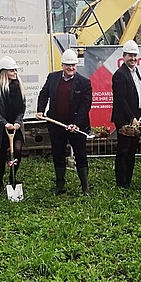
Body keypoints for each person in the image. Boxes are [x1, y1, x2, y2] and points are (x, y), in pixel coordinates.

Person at [37, 49, 92, 195]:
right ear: (62, 65)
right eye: (68, 65)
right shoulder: (53, 78)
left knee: (80, 154)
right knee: (58, 153)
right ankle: (60, 185)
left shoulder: (84, 83)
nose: (71, 68)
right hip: (56, 124)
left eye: (73, 65)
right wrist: (40, 110)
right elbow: (44, 94)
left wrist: (77, 124)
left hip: (77, 126)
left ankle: (85, 187)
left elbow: (86, 105)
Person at [111, 40, 141, 188]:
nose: (133, 58)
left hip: (137, 117)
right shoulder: (120, 75)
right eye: (130, 55)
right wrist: (132, 117)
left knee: (132, 150)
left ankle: (128, 180)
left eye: (135, 55)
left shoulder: (135, 71)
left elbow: (137, 93)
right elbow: (120, 99)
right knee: (124, 151)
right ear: (124, 56)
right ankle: (122, 183)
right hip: (125, 120)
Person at [0, 56, 26, 194]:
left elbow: (22, 107)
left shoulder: (19, 86)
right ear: (4, 72)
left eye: (15, 70)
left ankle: (13, 177)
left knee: (17, 152)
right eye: (12, 70)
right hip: (1, 128)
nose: (15, 73)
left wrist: (17, 122)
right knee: (2, 156)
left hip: (16, 127)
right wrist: (5, 124)